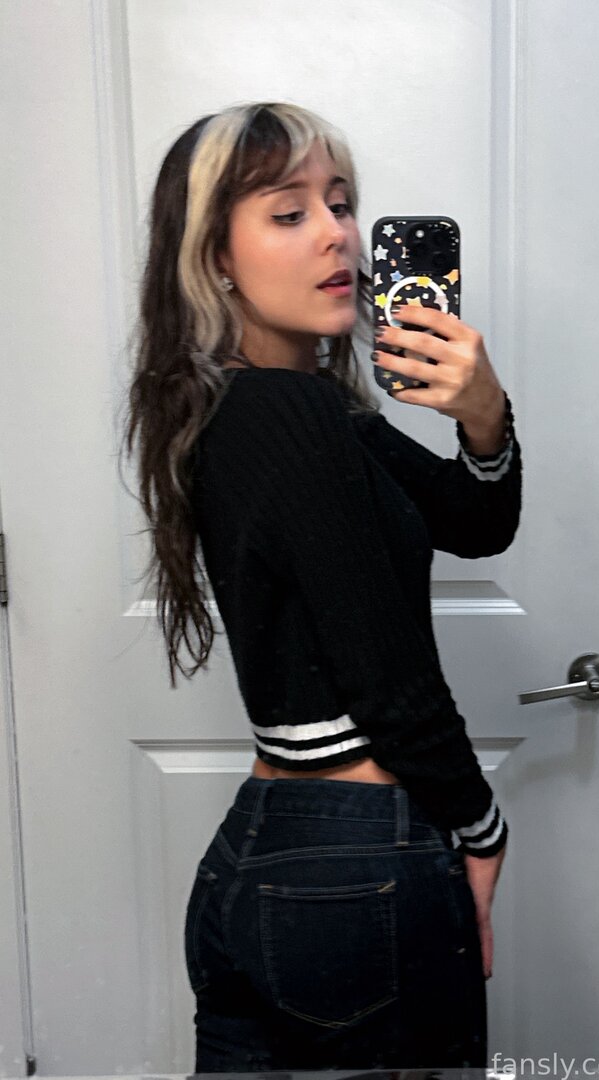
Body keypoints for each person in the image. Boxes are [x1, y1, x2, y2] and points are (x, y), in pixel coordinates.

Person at [120, 101, 522, 1071]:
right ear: (215, 255)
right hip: (356, 857)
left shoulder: (284, 408)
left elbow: (476, 523)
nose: (338, 233)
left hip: (265, 852)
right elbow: (387, 676)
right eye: (289, 212)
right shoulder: (286, 412)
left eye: (341, 204)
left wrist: (484, 415)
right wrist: (481, 826)